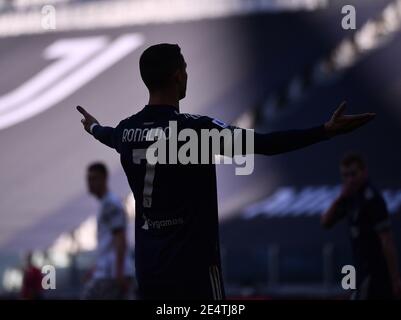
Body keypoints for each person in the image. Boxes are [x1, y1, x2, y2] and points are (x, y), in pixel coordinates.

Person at [76, 43, 375, 300]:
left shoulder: (127, 131)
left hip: (150, 269)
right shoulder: (197, 130)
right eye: (186, 68)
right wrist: (325, 131)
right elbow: (265, 144)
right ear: (177, 75)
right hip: (194, 269)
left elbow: (108, 134)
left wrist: (92, 127)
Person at [321, 153, 401, 299]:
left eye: (353, 174)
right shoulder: (349, 198)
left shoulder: (372, 199)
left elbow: (387, 241)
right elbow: (325, 222)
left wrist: (395, 278)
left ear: (364, 172)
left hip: (375, 272)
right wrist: (339, 198)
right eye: (345, 175)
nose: (349, 179)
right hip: (355, 269)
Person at [82, 162, 135, 300]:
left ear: (104, 179)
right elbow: (109, 243)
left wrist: (118, 272)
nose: (90, 183)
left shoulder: (111, 204)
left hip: (111, 275)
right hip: (108, 272)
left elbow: (120, 237)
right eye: (88, 179)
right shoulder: (106, 204)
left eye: (93, 179)